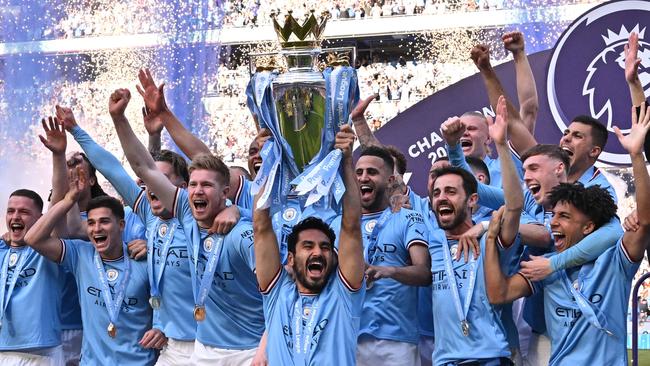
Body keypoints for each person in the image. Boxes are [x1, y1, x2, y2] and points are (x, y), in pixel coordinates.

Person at [112, 80, 264, 364]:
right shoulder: (185, 211)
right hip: (203, 351)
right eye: (193, 184)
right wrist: (119, 119)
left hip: (249, 352)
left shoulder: (243, 234)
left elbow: (276, 289)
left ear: (226, 192)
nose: (197, 191)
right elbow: (143, 167)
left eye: (206, 185)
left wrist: (266, 347)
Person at [56, 102, 198, 365]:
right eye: (150, 182)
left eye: (163, 180)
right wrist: (81, 128)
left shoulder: (198, 218)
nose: (152, 186)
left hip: (207, 341)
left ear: (183, 186)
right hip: (171, 344)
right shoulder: (148, 215)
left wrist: (233, 213)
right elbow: (117, 169)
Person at [253, 124, 366, 364]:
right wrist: (268, 161)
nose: (318, 251)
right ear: (290, 259)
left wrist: (346, 161)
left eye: (325, 247)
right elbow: (261, 227)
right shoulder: (277, 294)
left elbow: (352, 226)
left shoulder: (343, 295)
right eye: (308, 246)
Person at [23, 171, 159, 365]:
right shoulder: (80, 255)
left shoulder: (143, 260)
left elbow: (164, 302)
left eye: (104, 221)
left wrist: (160, 327)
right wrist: (68, 200)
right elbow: (32, 238)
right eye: (91, 223)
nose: (97, 229)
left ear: (121, 225)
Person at [428, 94, 525, 365]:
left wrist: (502, 145)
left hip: (490, 357)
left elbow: (515, 205)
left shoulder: (491, 239)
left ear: (473, 200)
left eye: (450, 191)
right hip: (445, 360)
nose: (441, 198)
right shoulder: (432, 241)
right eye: (436, 193)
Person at [328, 144, 430, 365]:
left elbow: (424, 272)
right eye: (359, 172)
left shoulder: (408, 218)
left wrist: (389, 271)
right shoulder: (338, 225)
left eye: (372, 172)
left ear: (391, 181)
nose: (364, 177)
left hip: (397, 341)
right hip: (349, 337)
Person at [0, 190, 67, 365]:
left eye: (24, 212)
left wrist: (59, 160)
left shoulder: (46, 251)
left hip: (43, 350)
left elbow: (58, 199)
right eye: (11, 211)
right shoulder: (1, 250)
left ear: (40, 219)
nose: (15, 217)